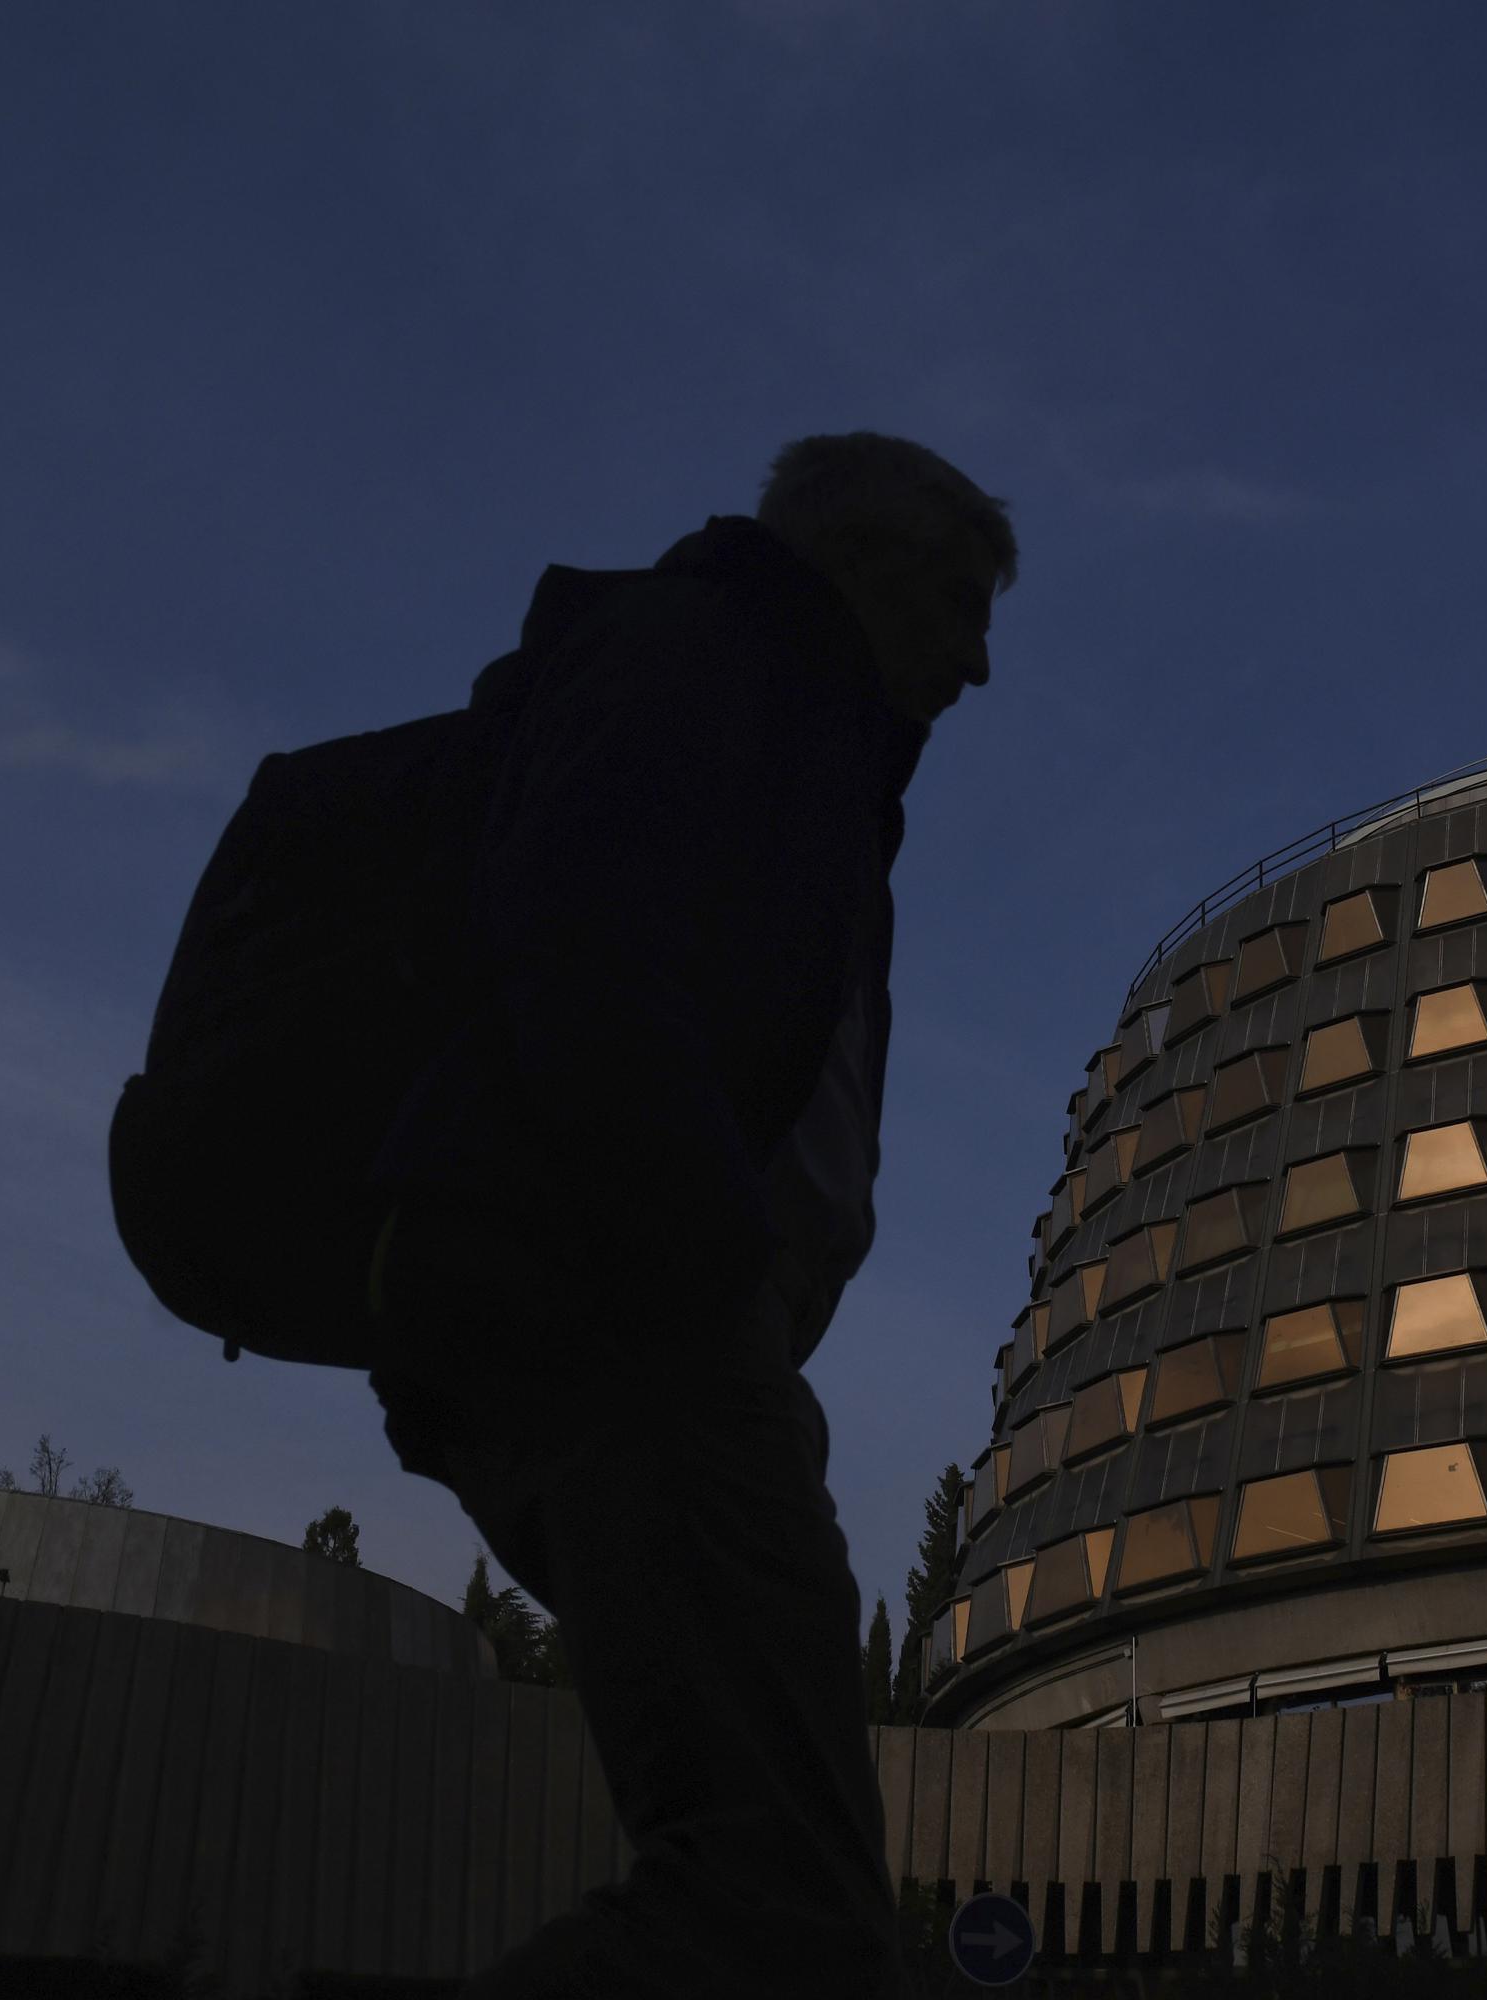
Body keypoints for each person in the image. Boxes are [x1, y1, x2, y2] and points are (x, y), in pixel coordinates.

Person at [362, 432, 1014, 1997]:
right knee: (777, 1902)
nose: (979, 664)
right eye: (953, 600)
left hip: (645, 1323)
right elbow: (585, 960)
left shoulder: (796, 729)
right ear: (848, 563)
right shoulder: (718, 660)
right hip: (631, 1315)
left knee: (778, 1891)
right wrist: (707, 1273)